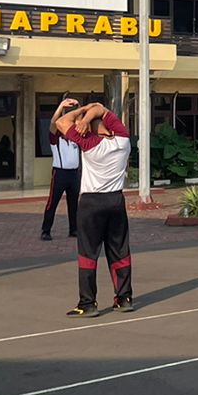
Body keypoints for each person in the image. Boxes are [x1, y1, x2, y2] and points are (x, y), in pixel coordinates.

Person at [52, 98, 134, 317]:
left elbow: (61, 122)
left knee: (88, 254)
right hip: (116, 201)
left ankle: (88, 303)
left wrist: (81, 113)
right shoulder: (123, 140)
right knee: (120, 251)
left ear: (90, 129)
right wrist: (91, 113)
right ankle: (124, 298)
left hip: (92, 203)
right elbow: (101, 108)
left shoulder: (89, 143)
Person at [40, 109, 82, 241]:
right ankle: (46, 230)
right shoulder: (56, 139)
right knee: (52, 202)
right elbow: (53, 123)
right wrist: (62, 106)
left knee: (74, 204)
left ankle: (73, 229)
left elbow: (80, 121)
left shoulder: (75, 139)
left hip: (74, 174)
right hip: (60, 173)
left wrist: (78, 108)